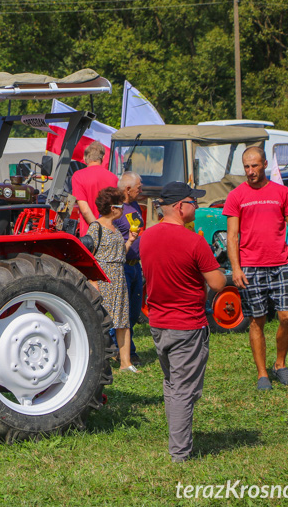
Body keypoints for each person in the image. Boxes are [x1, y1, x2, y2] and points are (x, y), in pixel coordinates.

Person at [140, 182, 225, 463]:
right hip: (187, 324)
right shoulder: (195, 241)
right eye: (193, 201)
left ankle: (178, 437)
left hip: (159, 323)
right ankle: (179, 453)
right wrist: (216, 270)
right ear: (180, 206)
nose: (197, 206)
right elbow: (217, 282)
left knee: (172, 384)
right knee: (183, 391)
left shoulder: (146, 238)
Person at [224, 146, 288, 390]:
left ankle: (280, 364)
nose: (250, 171)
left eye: (255, 166)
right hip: (251, 267)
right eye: (246, 167)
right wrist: (236, 268)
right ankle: (262, 374)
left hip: (280, 265)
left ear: (265, 164)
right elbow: (232, 236)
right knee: (257, 320)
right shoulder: (236, 195)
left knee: (287, 316)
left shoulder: (281, 192)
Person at [87, 187, 140, 372]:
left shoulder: (116, 228)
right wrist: (94, 282)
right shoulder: (95, 227)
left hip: (119, 276)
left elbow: (119, 255)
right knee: (103, 322)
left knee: (122, 322)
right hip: (104, 279)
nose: (123, 210)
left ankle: (126, 363)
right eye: (120, 206)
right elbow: (89, 257)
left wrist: (130, 241)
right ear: (112, 208)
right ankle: (100, 361)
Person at [111, 171, 144, 365]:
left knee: (133, 312)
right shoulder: (115, 209)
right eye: (139, 188)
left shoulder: (134, 205)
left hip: (135, 266)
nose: (142, 191)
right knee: (120, 312)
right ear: (127, 189)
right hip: (122, 267)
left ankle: (126, 350)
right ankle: (122, 351)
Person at [72, 141, 118, 236]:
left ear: (85, 158)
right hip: (110, 232)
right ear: (103, 158)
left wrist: (97, 229)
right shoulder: (114, 178)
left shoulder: (78, 176)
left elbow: (85, 210)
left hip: (89, 234)